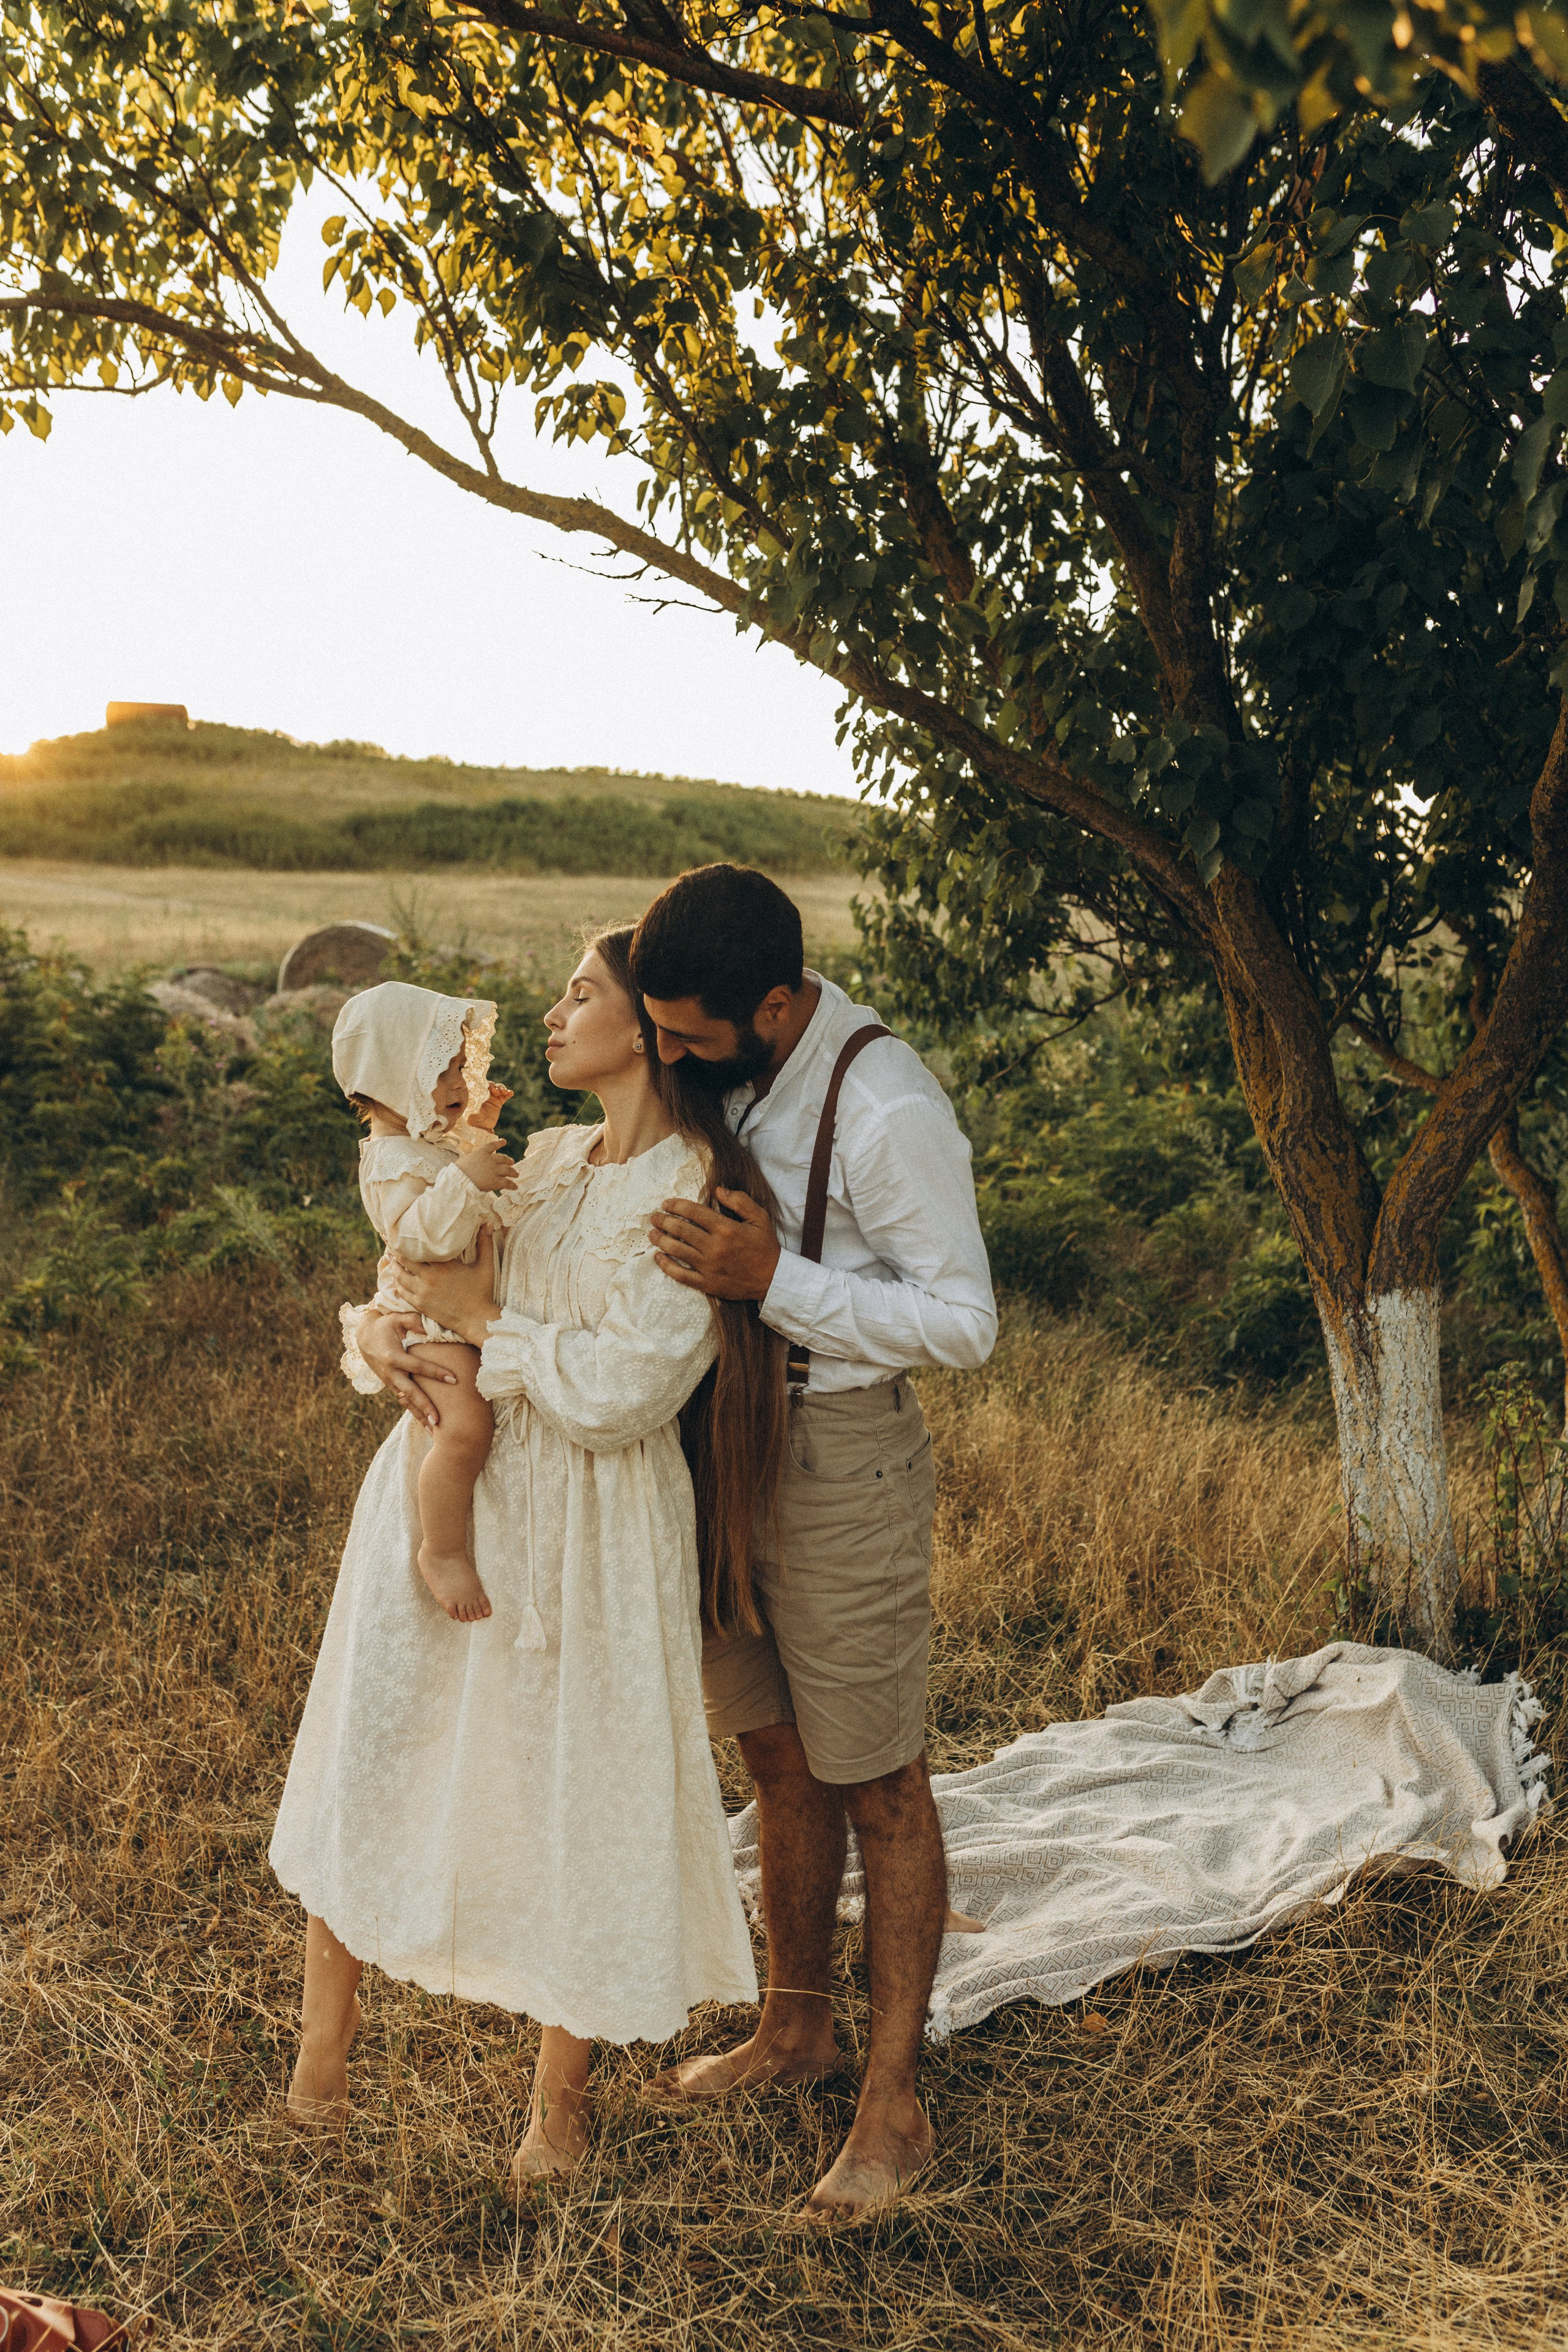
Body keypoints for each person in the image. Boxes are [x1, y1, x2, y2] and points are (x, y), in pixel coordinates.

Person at [271, 929, 784, 2188]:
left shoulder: (698, 1188)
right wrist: (380, 1341)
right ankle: (318, 2062)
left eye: (579, 993)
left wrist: (477, 1328)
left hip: (591, 1522)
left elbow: (622, 1393)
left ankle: (559, 2106)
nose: (551, 1015)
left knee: (574, 1790)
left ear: (656, 1028)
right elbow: (410, 1274)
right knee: (380, 1746)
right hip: (448, 1479)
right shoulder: (544, 1158)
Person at [630, 864, 997, 2221]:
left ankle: (891, 2112)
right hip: (716, 1447)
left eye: (687, 1032)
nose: (668, 1052)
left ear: (775, 1003)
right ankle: (795, 2032)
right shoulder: (726, 1064)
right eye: (655, 1027)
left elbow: (963, 1324)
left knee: (875, 1780)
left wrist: (768, 1283)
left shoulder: (887, 1106)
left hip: (840, 1455)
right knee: (773, 1756)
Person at [331, 981, 522, 1623]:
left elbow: (458, 1186)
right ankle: (440, 1548)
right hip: (431, 1322)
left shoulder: (425, 1142)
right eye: (437, 1068)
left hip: (457, 1312)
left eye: (456, 1065)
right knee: (465, 1428)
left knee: (479, 1425)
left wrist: (479, 1134)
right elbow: (420, 1235)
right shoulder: (387, 1161)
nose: (456, 1081)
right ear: (387, 1075)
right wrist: (467, 1177)